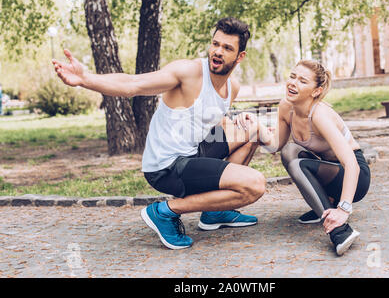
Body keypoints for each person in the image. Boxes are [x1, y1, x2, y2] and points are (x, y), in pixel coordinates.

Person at [52, 17, 266, 250]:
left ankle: (214, 213)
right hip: (166, 167)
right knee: (254, 184)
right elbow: (133, 85)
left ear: (240, 56)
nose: (217, 51)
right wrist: (86, 79)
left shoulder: (231, 87)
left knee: (251, 131)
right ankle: (165, 212)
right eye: (215, 44)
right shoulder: (187, 72)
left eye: (227, 48)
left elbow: (209, 115)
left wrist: (238, 122)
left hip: (192, 153)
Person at [256, 60, 371, 256]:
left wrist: (344, 210)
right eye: (292, 76)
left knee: (296, 162)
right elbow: (276, 145)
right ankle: (324, 208)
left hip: (355, 177)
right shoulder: (286, 107)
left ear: (316, 91)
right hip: (328, 172)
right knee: (289, 152)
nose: (293, 83)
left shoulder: (319, 115)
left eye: (302, 81)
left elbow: (351, 163)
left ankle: (339, 231)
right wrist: (255, 128)